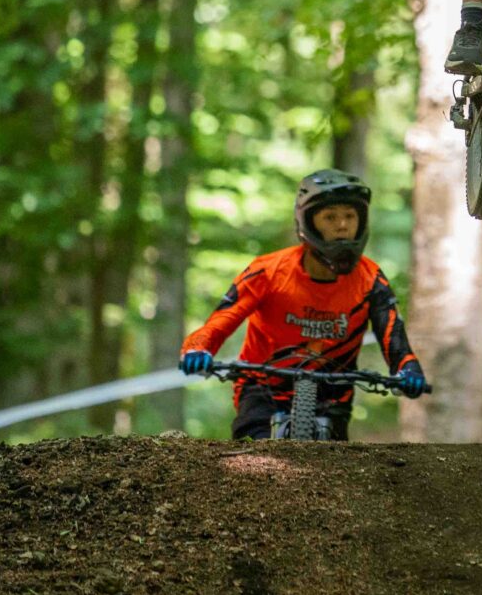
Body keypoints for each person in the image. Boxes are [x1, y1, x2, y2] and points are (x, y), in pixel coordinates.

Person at [178, 169, 426, 441]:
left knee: (335, 463)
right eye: (330, 217)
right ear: (308, 221)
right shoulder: (268, 272)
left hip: (333, 392)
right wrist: (197, 348)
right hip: (262, 387)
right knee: (252, 454)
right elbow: (220, 321)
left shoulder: (370, 280)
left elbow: (392, 335)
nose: (342, 225)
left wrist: (407, 367)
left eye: (350, 216)